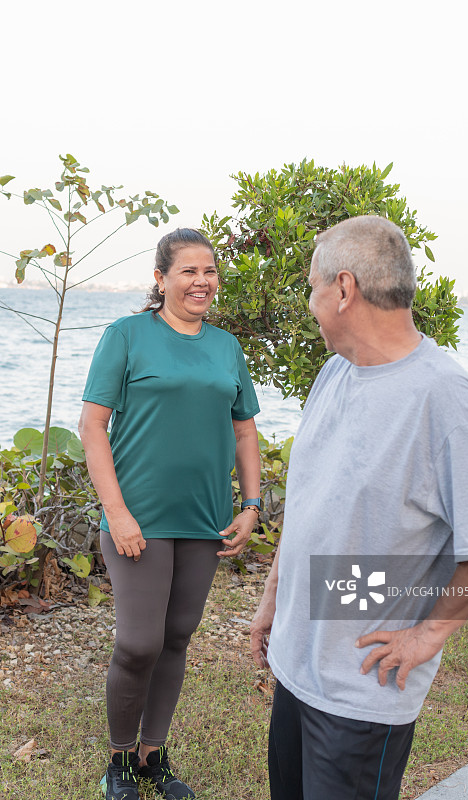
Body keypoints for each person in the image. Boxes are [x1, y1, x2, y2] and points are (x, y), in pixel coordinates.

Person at [250, 216, 468, 800]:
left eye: (312, 287)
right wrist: (274, 596)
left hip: (361, 692)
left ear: (344, 289)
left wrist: (427, 636)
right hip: (298, 671)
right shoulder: (335, 373)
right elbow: (310, 501)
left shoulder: (442, 396)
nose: (311, 303)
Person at [79, 228, 261, 800]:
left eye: (209, 272)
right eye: (188, 271)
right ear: (160, 279)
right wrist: (117, 511)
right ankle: (118, 763)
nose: (202, 282)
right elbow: (92, 426)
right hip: (138, 520)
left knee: (177, 637)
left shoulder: (227, 346)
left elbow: (244, 428)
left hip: (205, 521)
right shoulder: (127, 336)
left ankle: (152, 756)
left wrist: (251, 505)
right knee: (138, 643)